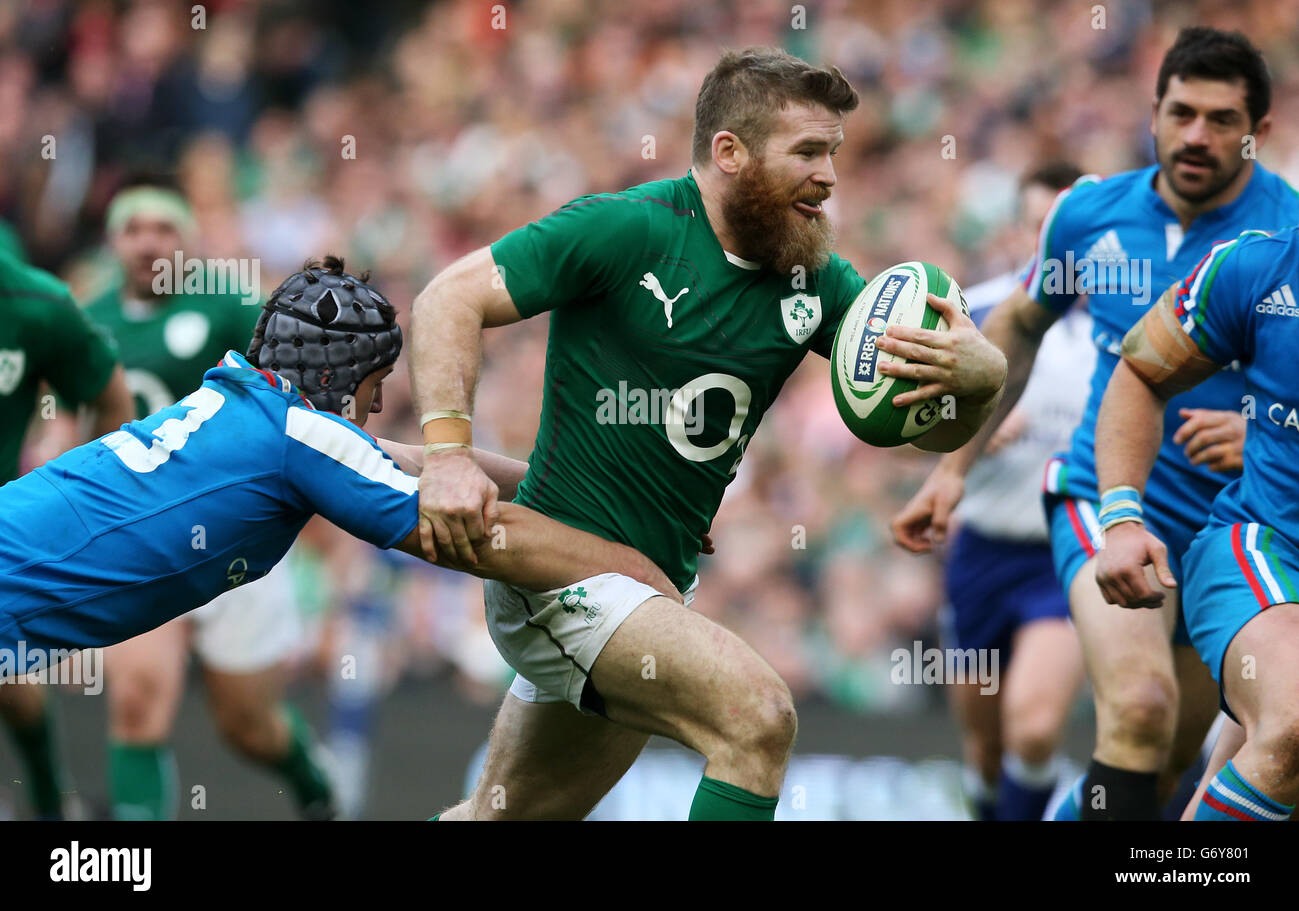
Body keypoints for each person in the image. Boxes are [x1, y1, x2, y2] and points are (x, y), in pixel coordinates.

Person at [409, 46, 1008, 821]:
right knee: (758, 719)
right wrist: (449, 455)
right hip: (558, 576)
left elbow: (922, 430)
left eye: (833, 152)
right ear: (730, 153)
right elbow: (446, 298)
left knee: (501, 817)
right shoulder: (626, 230)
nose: (829, 176)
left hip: (653, 587)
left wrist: (978, 377)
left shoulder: (816, 279)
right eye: (807, 152)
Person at [0, 256, 679, 780]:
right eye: (372, 388)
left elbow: (421, 460)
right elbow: (469, 533)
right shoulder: (299, 436)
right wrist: (630, 562)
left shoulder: (253, 406)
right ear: (337, 376)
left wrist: (601, 504)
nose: (375, 406)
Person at [892, 27, 1292, 820]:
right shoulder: (1089, 216)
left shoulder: (1282, 237)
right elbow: (1017, 326)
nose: (1196, 136)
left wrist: (1263, 434)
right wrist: (952, 469)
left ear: (1259, 133)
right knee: (1138, 710)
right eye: (1181, 113)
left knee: (1169, 756)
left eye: (1220, 120)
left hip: (1225, 527)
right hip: (1103, 494)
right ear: (1154, 110)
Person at [81, 178, 337, 820]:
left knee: (248, 726)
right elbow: (77, 431)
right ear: (114, 240)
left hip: (235, 535)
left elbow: (289, 404)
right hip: (141, 537)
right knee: (137, 704)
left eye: (163, 228)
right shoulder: (92, 321)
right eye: (134, 228)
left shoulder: (227, 306)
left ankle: (317, 790)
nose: (148, 242)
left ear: (186, 239)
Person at [1093, 226, 1299, 821]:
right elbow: (1141, 371)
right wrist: (1123, 519)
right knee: (1292, 722)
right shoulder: (1256, 266)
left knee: (1267, 761)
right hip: (1263, 548)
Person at [938, 162, 1091, 821]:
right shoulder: (971, 314)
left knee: (1032, 725)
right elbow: (905, 434)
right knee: (986, 747)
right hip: (979, 550)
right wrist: (964, 430)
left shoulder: (1128, 328)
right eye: (1038, 227)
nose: (1051, 243)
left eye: (1065, 229)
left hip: (1063, 553)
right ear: (1020, 230)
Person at [0, 253, 134, 819]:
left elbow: (110, 398)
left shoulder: (38, 303)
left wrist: (81, 507)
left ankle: (53, 802)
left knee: (8, 674)